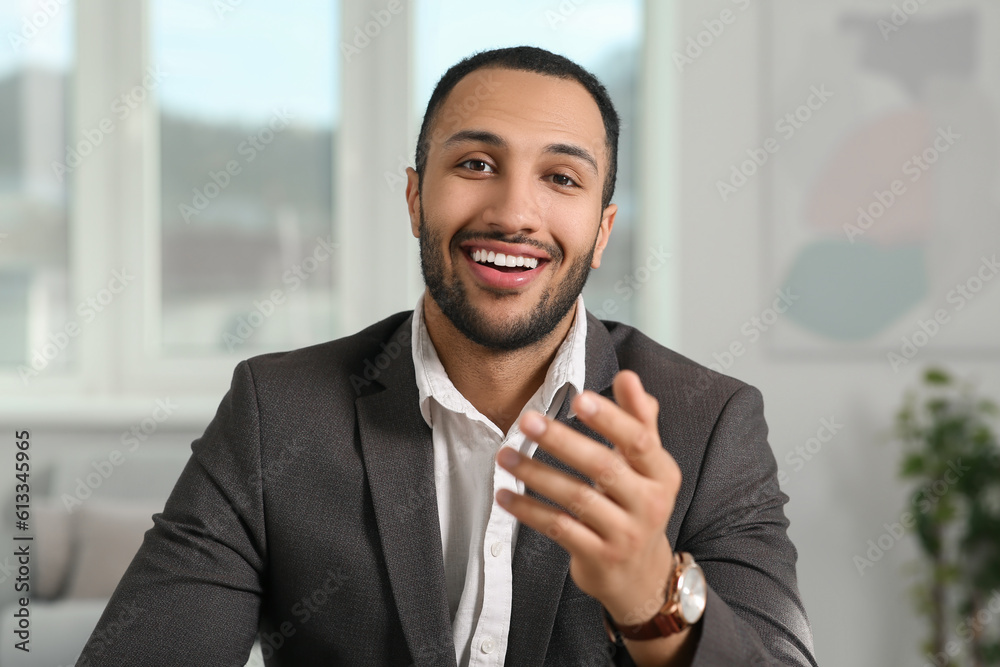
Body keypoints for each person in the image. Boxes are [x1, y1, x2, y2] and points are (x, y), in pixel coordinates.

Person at [77, 46, 818, 667]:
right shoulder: (276, 409)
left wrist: (652, 596)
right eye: (474, 163)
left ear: (602, 231)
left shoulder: (710, 422)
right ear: (413, 199)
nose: (513, 213)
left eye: (561, 178)